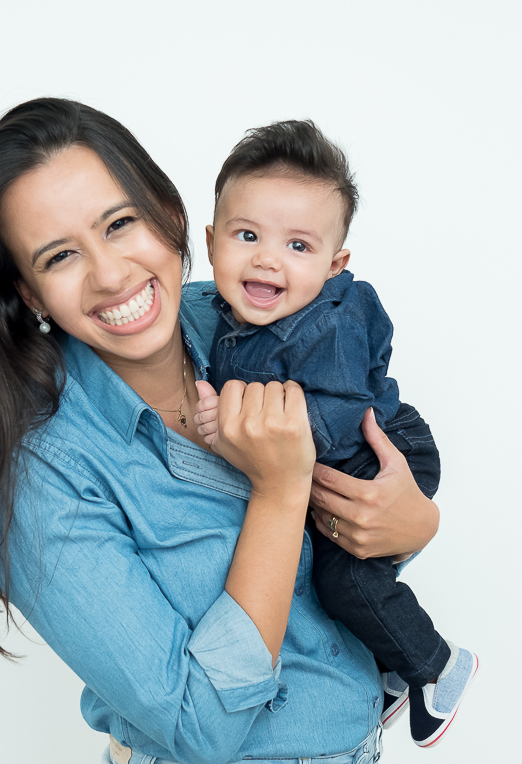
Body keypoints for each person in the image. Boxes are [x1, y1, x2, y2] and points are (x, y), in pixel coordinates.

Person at [0, 98, 441, 764]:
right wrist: (277, 492)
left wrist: (413, 525)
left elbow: (371, 476)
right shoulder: (42, 478)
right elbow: (197, 726)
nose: (111, 275)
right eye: (60, 256)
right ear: (31, 295)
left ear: (173, 216)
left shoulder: (251, 315)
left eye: (121, 223)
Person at [193, 120, 478, 747]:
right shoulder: (212, 311)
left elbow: (342, 409)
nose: (267, 258)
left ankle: (436, 665)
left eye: (299, 246)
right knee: (313, 572)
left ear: (334, 264)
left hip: (380, 451)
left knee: (345, 580)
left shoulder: (335, 323)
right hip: (330, 469)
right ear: (211, 243)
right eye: (247, 236)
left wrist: (241, 433)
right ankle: (392, 673)